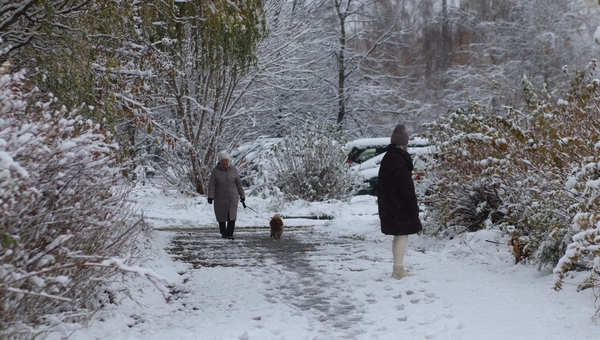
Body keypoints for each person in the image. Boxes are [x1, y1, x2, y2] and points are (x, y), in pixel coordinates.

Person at [377, 123, 423, 279]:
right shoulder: (399, 160)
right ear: (405, 143)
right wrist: (412, 205)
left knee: (398, 236)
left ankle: (397, 268)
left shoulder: (388, 157)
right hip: (400, 205)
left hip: (389, 204)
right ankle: (398, 270)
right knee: (402, 235)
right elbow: (406, 187)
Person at [207, 152, 246, 240]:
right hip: (220, 197)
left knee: (231, 216)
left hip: (233, 197)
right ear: (220, 162)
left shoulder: (234, 170)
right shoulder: (215, 171)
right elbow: (211, 185)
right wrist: (210, 196)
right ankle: (223, 232)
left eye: (226, 161)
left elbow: (239, 184)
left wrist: (242, 196)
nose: (225, 163)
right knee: (221, 216)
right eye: (223, 161)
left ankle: (230, 233)